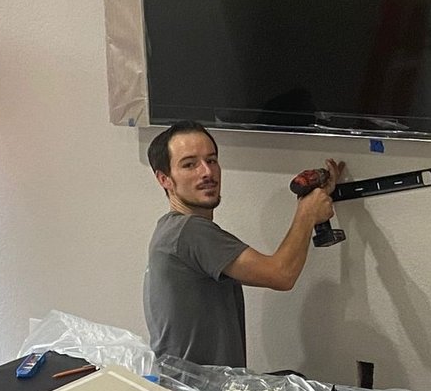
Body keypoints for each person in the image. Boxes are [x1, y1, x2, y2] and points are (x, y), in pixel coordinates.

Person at [144, 122, 345, 368]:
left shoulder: (169, 229)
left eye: (212, 160)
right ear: (164, 179)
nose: (207, 172)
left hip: (192, 389)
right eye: (189, 164)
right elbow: (281, 275)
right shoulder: (190, 232)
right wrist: (306, 213)